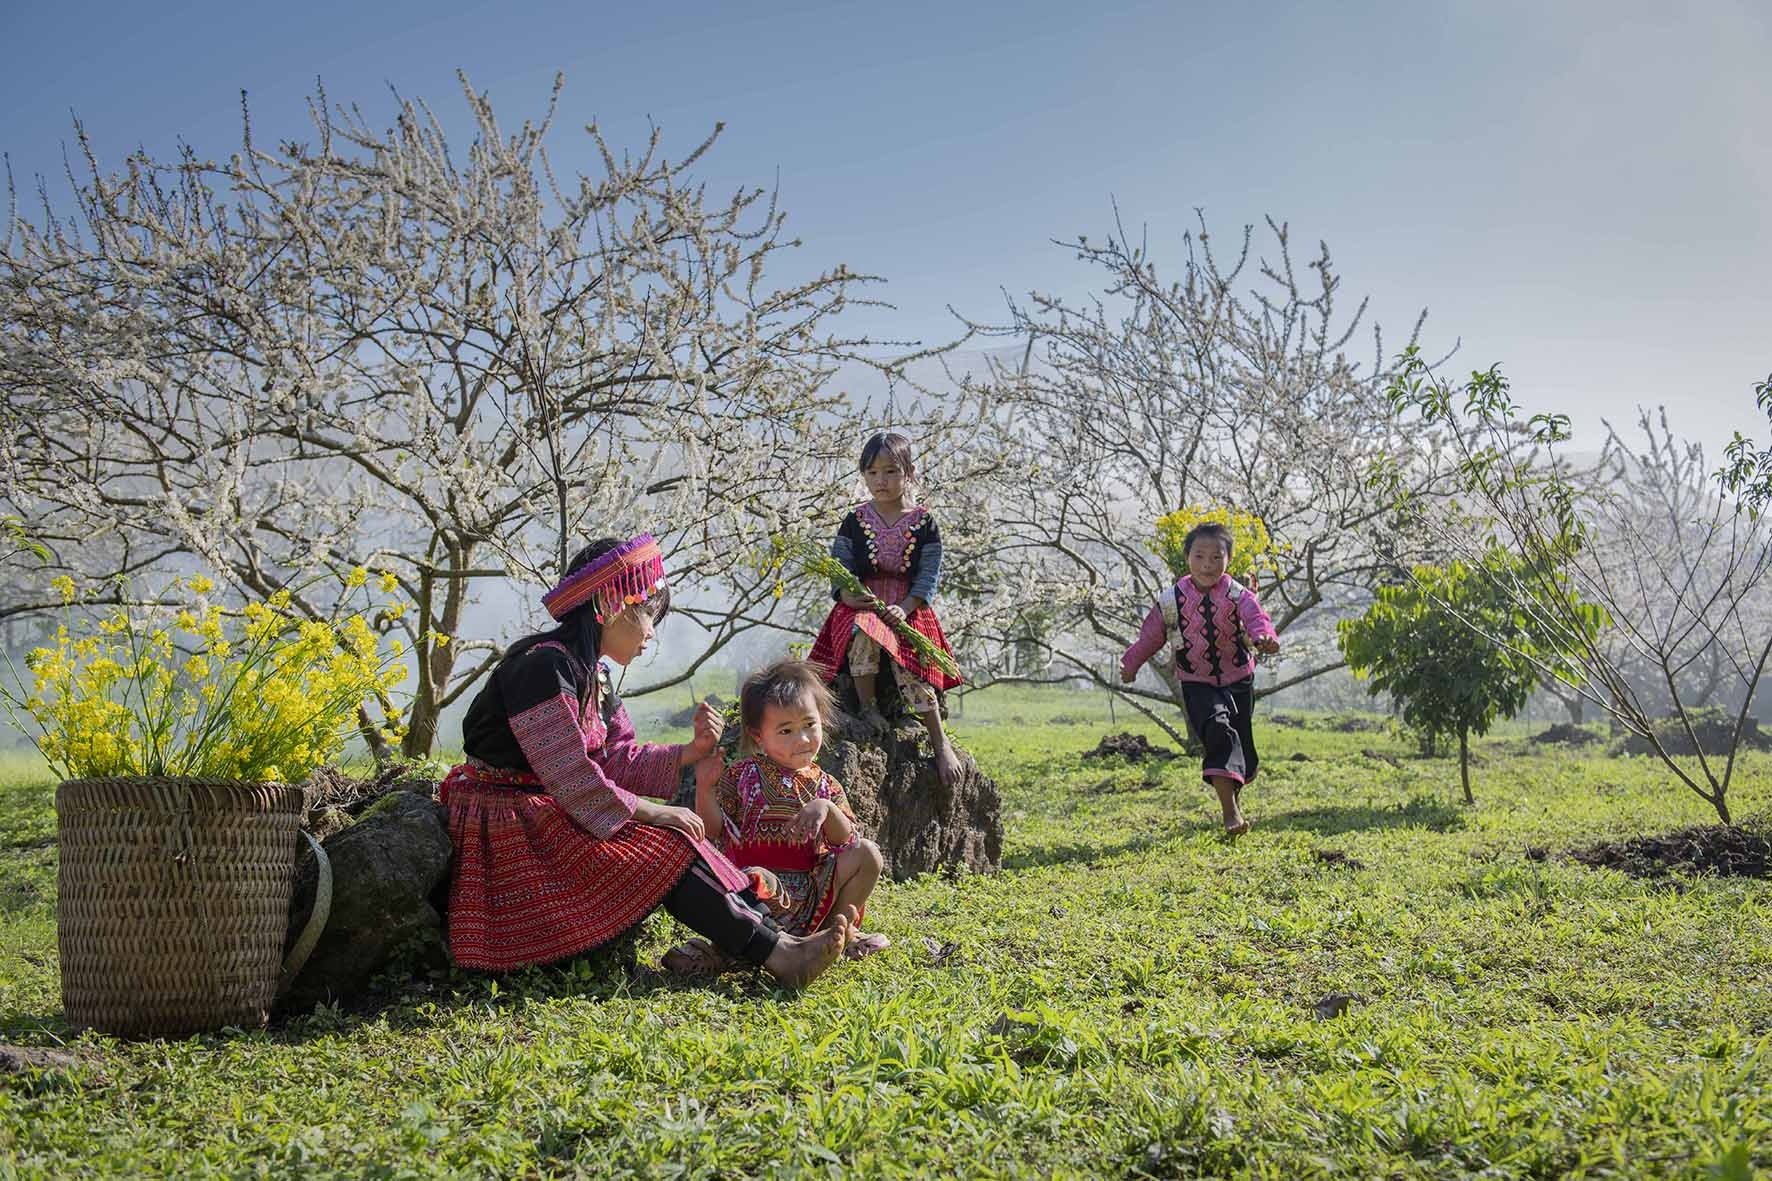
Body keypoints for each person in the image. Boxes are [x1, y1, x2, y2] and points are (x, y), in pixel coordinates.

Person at [441, 534, 850, 987]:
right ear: (612, 604)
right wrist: (654, 809)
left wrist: (690, 752)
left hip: (551, 810)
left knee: (672, 838)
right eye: (648, 617)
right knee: (667, 842)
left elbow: (615, 757)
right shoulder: (542, 669)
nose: (652, 633)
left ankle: (779, 941)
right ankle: (779, 953)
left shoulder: (591, 673)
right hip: (509, 819)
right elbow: (573, 776)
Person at [696, 659, 891, 960]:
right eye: (786, 731)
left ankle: (832, 934)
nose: (802, 739)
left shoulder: (827, 785)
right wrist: (704, 790)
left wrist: (826, 809)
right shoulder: (742, 776)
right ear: (758, 735)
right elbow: (713, 831)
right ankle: (727, 950)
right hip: (760, 892)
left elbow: (847, 842)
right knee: (753, 879)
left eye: (809, 725)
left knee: (869, 854)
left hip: (813, 893)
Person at [807, 432, 964, 784]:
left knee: (912, 659)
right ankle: (868, 709)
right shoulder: (854, 520)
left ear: (909, 472)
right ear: (864, 474)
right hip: (861, 604)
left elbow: (929, 574)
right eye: (873, 472)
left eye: (891, 471)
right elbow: (841, 565)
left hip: (909, 608)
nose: (882, 481)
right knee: (863, 630)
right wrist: (846, 594)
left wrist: (905, 607)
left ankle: (939, 743)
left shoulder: (924, 523)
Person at [1120, 522, 1280, 836]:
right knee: (1218, 731)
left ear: (1228, 560)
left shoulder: (1238, 594)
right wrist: (1131, 664)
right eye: (1200, 557)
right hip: (1197, 682)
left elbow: (1257, 619)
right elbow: (1151, 637)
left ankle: (1232, 800)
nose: (1207, 565)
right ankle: (1230, 814)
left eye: (1216, 558)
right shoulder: (1171, 600)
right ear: (1187, 558)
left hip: (1238, 679)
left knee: (1242, 748)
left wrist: (1265, 637)